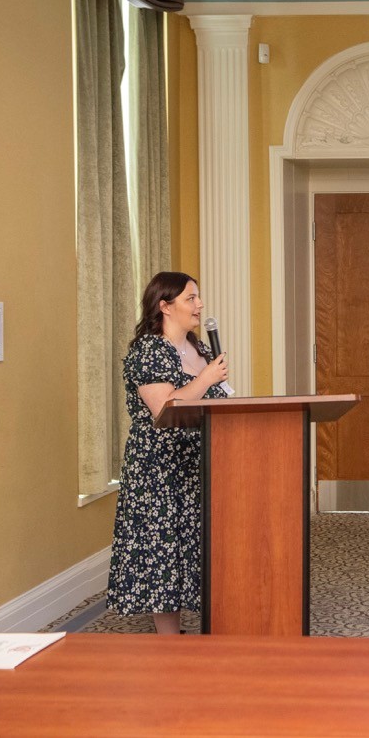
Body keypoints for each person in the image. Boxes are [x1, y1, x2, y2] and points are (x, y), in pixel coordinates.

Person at [107, 271, 229, 634]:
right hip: (159, 468)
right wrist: (207, 379)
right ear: (165, 306)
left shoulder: (198, 348)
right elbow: (163, 406)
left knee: (190, 547)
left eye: (198, 297)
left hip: (196, 464)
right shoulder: (149, 349)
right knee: (164, 550)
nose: (200, 304)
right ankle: (168, 639)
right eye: (191, 298)